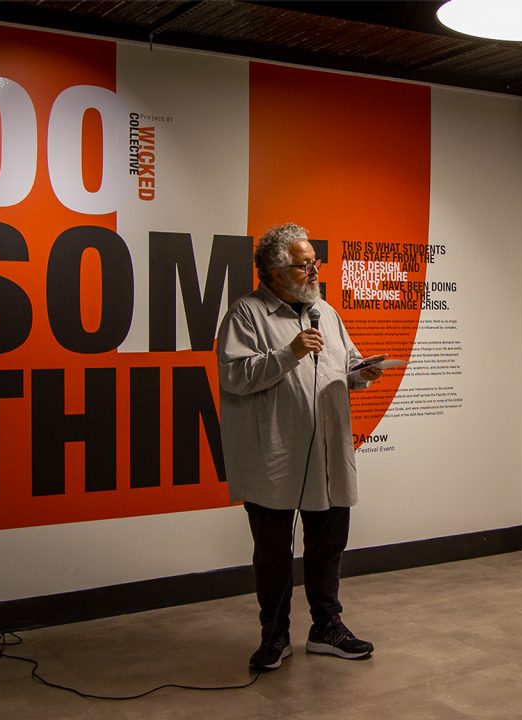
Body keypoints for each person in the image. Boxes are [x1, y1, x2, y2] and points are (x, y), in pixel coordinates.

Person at [216, 223, 383, 671]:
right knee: (272, 552)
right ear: (274, 271)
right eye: (304, 263)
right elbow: (234, 376)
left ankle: (326, 627)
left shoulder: (325, 311)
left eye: (314, 261)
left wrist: (360, 373)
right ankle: (274, 636)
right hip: (275, 456)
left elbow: (342, 365)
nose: (314, 270)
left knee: (328, 545)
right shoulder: (245, 315)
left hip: (327, 453)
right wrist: (288, 353)